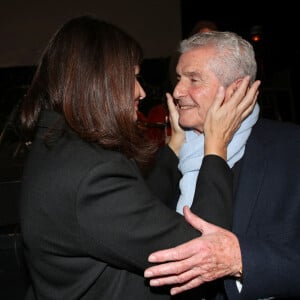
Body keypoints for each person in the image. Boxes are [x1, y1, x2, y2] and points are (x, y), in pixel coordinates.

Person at [18, 16, 259, 300]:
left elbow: (132, 209)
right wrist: (216, 147)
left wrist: (174, 148)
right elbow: (200, 255)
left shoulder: (59, 143)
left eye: (194, 79)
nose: (141, 92)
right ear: (101, 81)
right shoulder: (90, 172)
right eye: (132, 77)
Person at [144, 30, 300, 300]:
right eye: (179, 78)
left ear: (237, 88)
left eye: (194, 79)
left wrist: (242, 260)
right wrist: (172, 150)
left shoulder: (291, 150)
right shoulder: (170, 152)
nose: (178, 91)